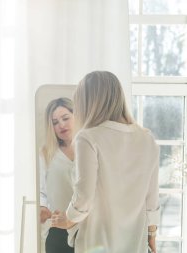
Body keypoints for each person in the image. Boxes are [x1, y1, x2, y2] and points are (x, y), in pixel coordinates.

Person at [51, 71, 160, 253]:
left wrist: (68, 219)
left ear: (89, 102)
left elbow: (84, 197)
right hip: (134, 243)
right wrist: (152, 234)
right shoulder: (147, 139)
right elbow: (152, 199)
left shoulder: (88, 137)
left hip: (96, 241)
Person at [39, 97, 75, 253]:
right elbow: (41, 191)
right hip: (57, 231)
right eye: (55, 122)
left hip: (85, 229)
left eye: (65, 118)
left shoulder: (90, 150)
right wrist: (41, 207)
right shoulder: (46, 153)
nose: (61, 125)